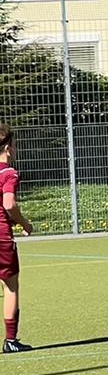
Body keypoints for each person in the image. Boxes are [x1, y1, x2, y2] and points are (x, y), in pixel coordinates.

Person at [0, 125, 34, 353]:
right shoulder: (8, 173)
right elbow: (9, 204)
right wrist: (24, 223)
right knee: (10, 287)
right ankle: (10, 341)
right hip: (1, 237)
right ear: (8, 148)